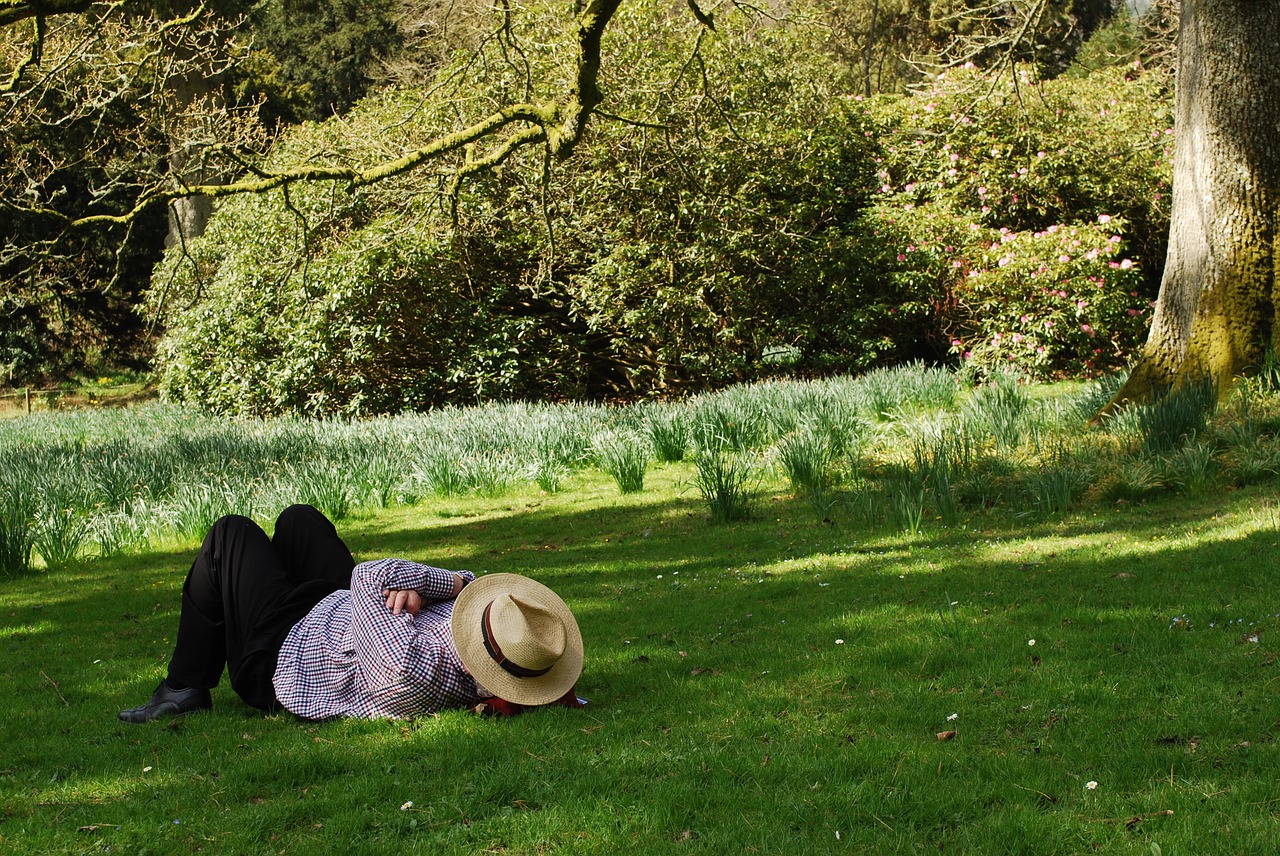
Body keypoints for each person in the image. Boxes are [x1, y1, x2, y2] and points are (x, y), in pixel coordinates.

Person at [119, 504, 583, 723]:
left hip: (286, 652)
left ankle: (183, 687)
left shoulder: (408, 668)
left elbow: (369, 577)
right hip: (343, 617)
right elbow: (465, 586)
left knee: (230, 533)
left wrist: (433, 583)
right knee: (301, 520)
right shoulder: (498, 642)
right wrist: (438, 590)